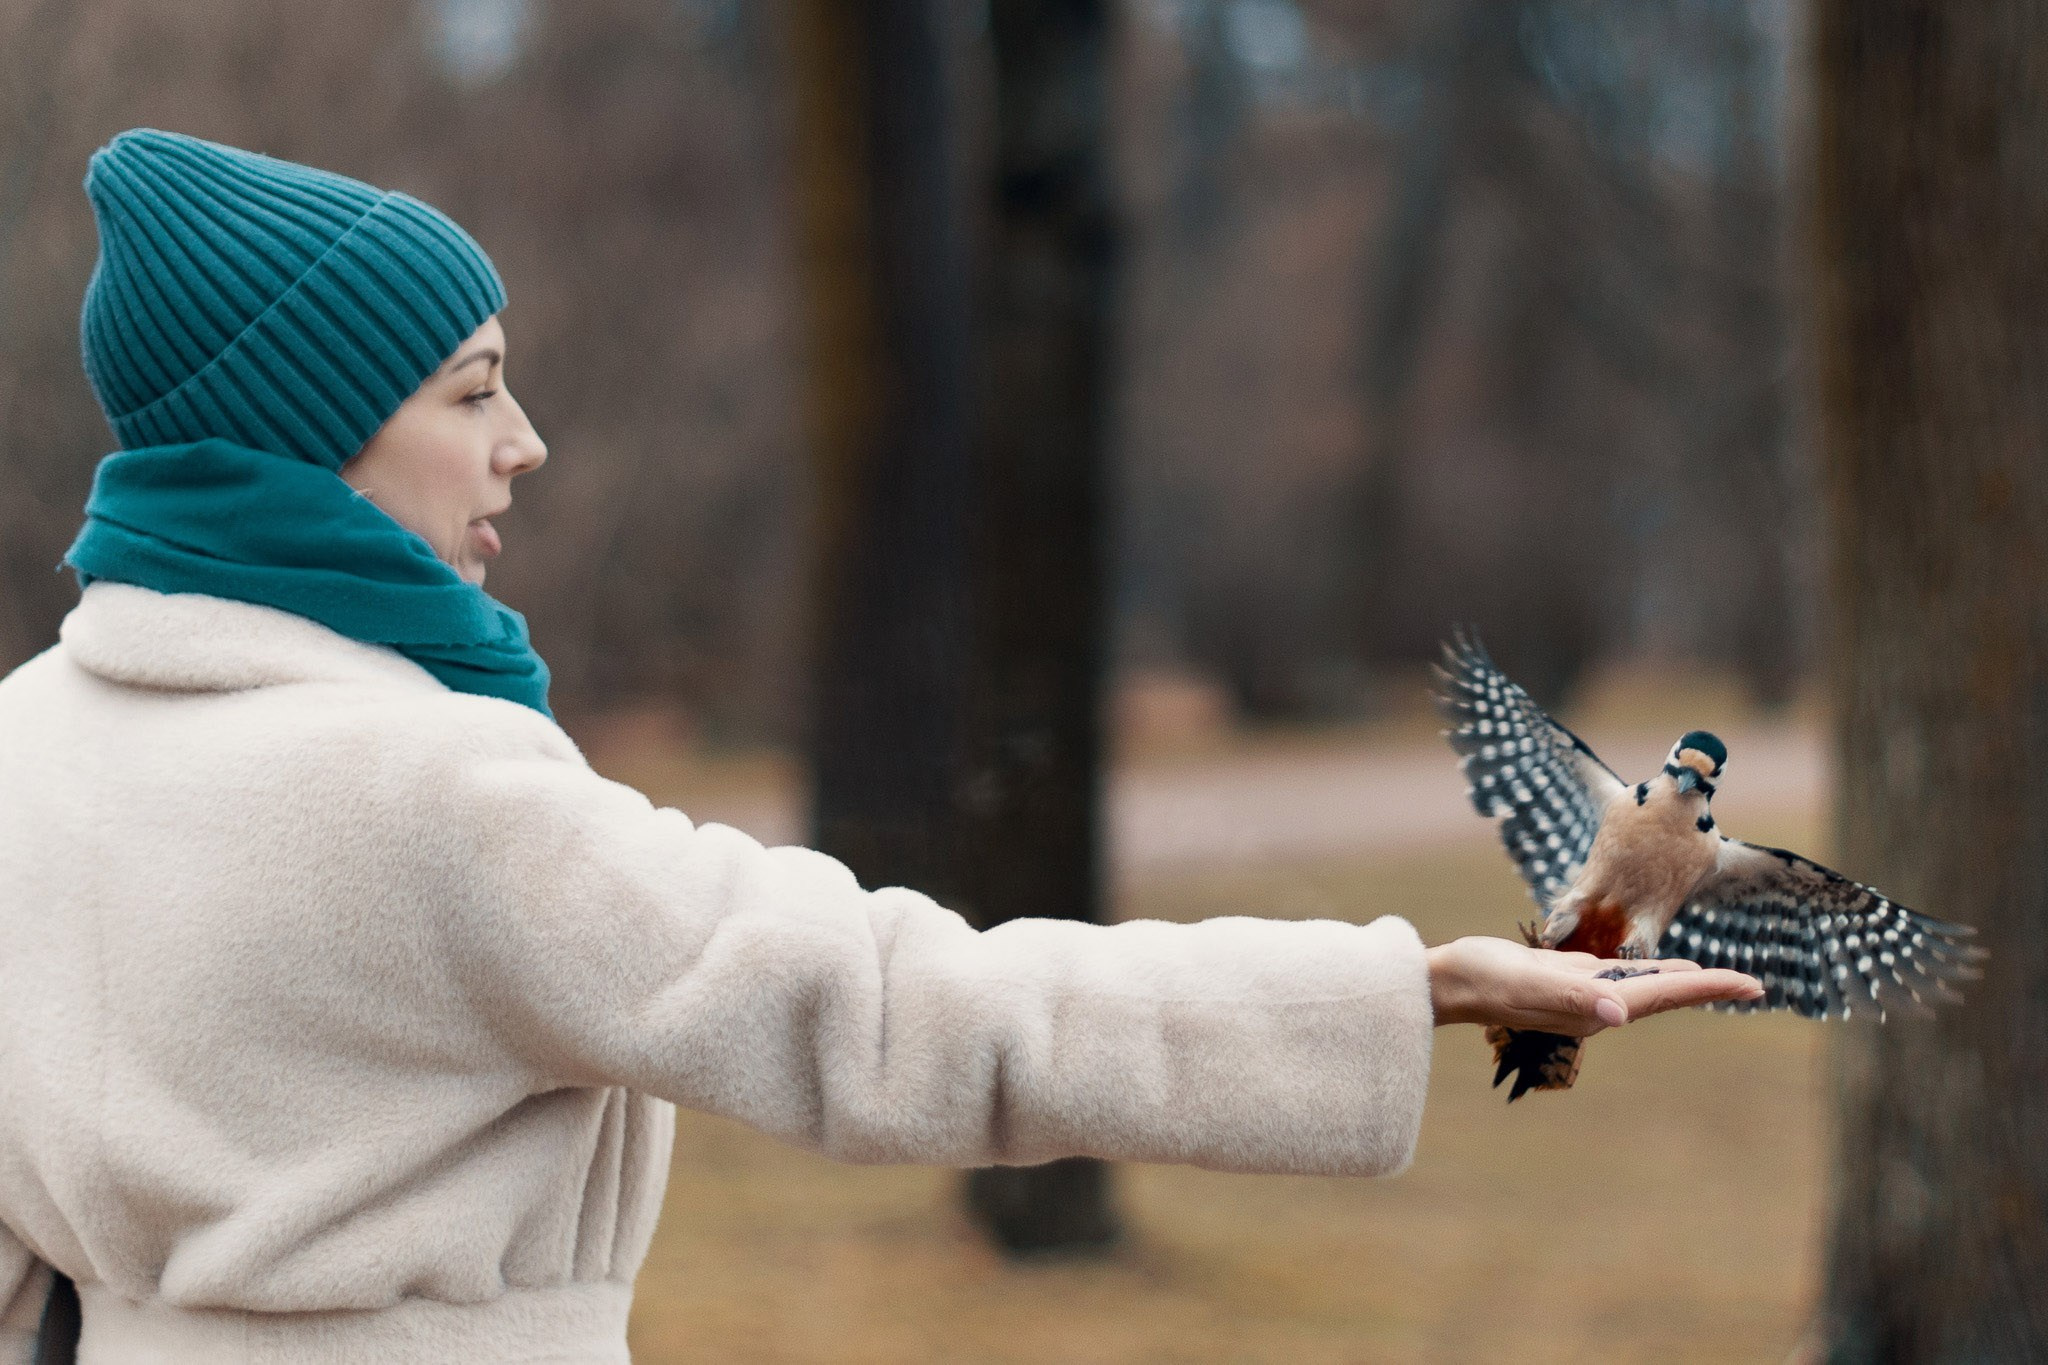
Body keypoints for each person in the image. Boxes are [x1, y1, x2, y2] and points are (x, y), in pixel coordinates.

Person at [0, 130, 1763, 1365]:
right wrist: (1412, 989)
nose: (524, 443)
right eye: (470, 391)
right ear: (309, 439)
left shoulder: (26, 750)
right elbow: (914, 1013)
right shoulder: (433, 796)